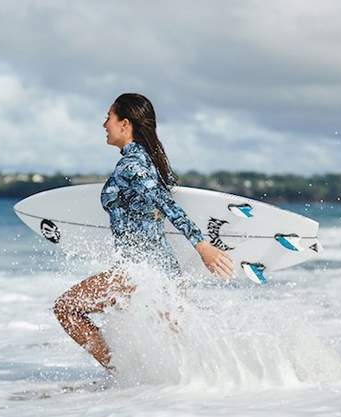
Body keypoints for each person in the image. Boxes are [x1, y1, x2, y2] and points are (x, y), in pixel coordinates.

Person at [53, 93, 233, 371]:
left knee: (66, 308)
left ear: (125, 124)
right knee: (177, 356)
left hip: (139, 272)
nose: (104, 124)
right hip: (160, 272)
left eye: (108, 118)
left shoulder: (132, 166)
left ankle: (119, 371)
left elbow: (165, 203)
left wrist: (202, 246)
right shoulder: (147, 160)